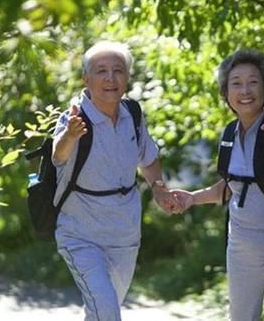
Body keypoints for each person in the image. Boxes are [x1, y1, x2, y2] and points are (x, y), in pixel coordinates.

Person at [173, 49, 264, 320]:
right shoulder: (228, 133)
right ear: (226, 93)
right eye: (236, 83)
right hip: (242, 251)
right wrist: (192, 198)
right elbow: (232, 187)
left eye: (253, 82)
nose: (245, 90)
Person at [51, 40, 178, 321]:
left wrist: (158, 190)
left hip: (124, 235)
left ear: (127, 77)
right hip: (80, 235)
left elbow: (149, 159)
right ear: (86, 79)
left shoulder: (133, 114)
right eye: (101, 71)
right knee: (107, 311)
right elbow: (58, 156)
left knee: (102, 312)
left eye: (118, 70)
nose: (110, 78)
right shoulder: (74, 118)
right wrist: (70, 136)